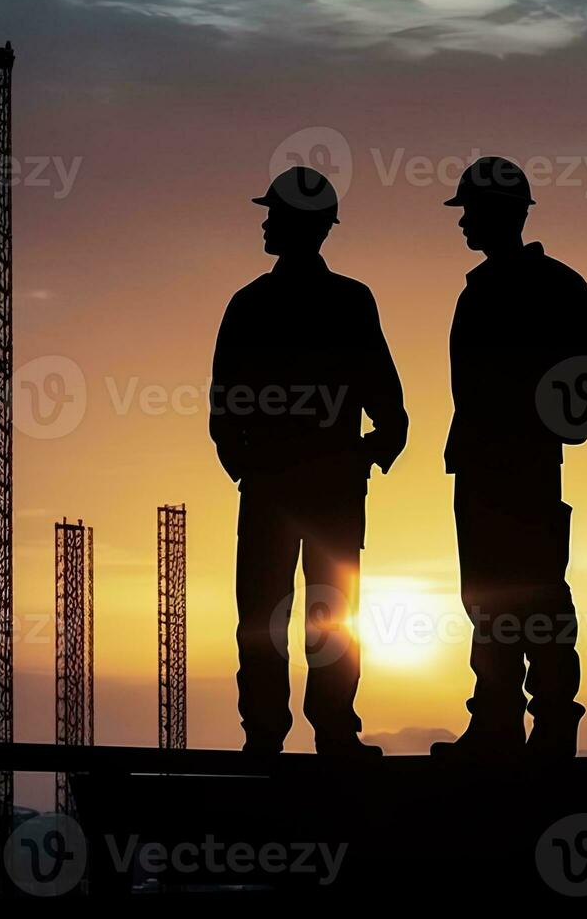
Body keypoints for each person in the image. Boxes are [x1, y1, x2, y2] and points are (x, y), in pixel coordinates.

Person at [210, 166, 408, 760]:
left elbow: (225, 404)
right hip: (325, 491)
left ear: (300, 226)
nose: (266, 224)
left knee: (274, 615)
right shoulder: (347, 302)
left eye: (275, 215)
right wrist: (370, 453)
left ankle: (273, 733)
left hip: (280, 490)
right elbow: (388, 405)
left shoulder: (253, 304)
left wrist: (244, 461)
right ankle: (330, 730)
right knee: (328, 614)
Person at [430, 156, 587, 764]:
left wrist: (562, 421)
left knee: (536, 595)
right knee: (490, 600)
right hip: (485, 466)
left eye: (470, 212)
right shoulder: (486, 287)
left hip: (524, 467)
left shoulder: (553, 285)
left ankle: (550, 724)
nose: (463, 224)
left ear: (498, 214)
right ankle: (498, 725)